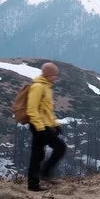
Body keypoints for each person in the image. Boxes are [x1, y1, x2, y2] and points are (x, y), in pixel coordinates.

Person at [26, 62, 67, 192]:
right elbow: (31, 109)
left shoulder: (46, 87)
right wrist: (40, 127)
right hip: (40, 126)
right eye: (54, 75)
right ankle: (45, 172)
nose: (56, 77)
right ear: (48, 74)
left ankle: (33, 185)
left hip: (45, 125)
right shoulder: (38, 87)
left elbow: (47, 111)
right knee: (60, 147)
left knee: (37, 155)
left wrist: (55, 124)